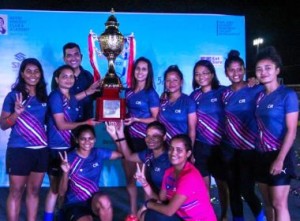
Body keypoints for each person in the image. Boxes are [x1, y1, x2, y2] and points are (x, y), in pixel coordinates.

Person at [44, 64, 99, 221]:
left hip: (70, 147)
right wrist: (86, 123)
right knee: (56, 188)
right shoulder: (55, 96)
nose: (68, 79)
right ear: (57, 79)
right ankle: (48, 218)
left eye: (71, 76)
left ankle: (62, 214)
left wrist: (90, 91)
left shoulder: (71, 96)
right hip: (58, 148)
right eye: (64, 76)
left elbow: (79, 96)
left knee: (66, 186)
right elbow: (61, 125)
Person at [0, 58, 48, 221]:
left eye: (36, 71)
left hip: (41, 151)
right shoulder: (13, 96)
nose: (33, 74)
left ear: (41, 74)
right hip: (19, 151)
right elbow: (4, 125)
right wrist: (17, 113)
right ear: (22, 73)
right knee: (16, 191)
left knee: (34, 191)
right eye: (28, 71)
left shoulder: (44, 97)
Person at [254, 46, 299, 221]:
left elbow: (292, 131)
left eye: (268, 68)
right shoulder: (258, 96)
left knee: (279, 204)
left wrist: (280, 159)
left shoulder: (287, 95)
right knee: (268, 203)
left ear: (277, 70)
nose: (263, 72)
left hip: (281, 154)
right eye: (259, 69)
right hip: (261, 155)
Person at [222, 50, 265, 221]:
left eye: (239, 69)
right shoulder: (223, 93)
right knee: (233, 189)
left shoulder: (255, 89)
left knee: (247, 190)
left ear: (244, 70)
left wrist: (258, 79)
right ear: (226, 72)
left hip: (250, 149)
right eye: (231, 70)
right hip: (230, 150)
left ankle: (261, 218)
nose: (236, 73)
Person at [135, 134, 217, 221]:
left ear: (188, 153)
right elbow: (161, 199)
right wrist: (144, 183)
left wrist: (148, 204)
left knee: (150, 215)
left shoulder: (190, 177)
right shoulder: (169, 172)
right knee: (150, 214)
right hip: (181, 216)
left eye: (179, 150)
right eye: (171, 148)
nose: (173, 153)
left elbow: (169, 211)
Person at [106, 120, 172, 221]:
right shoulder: (149, 153)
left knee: (143, 214)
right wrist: (118, 135)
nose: (150, 139)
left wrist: (150, 204)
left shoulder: (169, 159)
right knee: (141, 214)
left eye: (155, 136)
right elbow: (128, 156)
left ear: (164, 137)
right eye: (148, 136)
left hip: (170, 204)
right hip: (156, 198)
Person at [189, 59, 229, 221]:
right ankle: (208, 216)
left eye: (205, 73)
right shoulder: (194, 95)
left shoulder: (223, 92)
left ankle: (224, 215)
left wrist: (252, 82)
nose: (201, 76)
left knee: (222, 185)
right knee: (203, 188)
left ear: (212, 74)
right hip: (201, 147)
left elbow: (242, 91)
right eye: (197, 74)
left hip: (220, 147)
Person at [58, 124, 123, 221]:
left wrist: (114, 136)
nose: (87, 142)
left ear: (95, 140)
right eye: (83, 139)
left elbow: (121, 154)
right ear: (77, 140)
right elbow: (61, 192)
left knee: (105, 201)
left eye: (90, 138)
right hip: (75, 204)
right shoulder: (69, 158)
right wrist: (65, 172)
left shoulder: (98, 153)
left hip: (94, 200)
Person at [123, 57, 160, 215]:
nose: (140, 72)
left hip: (144, 140)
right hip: (128, 138)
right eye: (138, 68)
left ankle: (146, 213)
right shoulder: (128, 91)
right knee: (130, 177)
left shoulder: (151, 93)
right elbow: (125, 112)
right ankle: (132, 213)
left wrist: (137, 119)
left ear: (149, 72)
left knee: (145, 179)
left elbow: (155, 119)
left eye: (144, 69)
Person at [51, 42, 94, 121]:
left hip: (86, 125)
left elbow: (95, 97)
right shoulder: (57, 75)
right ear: (64, 59)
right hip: (65, 127)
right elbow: (58, 101)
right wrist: (86, 92)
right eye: (69, 55)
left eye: (76, 54)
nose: (73, 58)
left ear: (81, 56)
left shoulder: (88, 76)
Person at [158, 65, 197, 144]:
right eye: (168, 80)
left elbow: (192, 131)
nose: (171, 83)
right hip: (162, 146)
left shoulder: (188, 102)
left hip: (180, 148)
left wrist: (190, 151)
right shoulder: (162, 100)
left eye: (175, 80)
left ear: (181, 82)